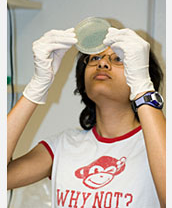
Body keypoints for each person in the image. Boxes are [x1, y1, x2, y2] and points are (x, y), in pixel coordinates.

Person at [7, 26, 166, 208]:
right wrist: (36, 87)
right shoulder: (62, 145)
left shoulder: (158, 144)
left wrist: (144, 90)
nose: (102, 64)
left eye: (118, 59)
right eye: (95, 58)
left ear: (141, 72)